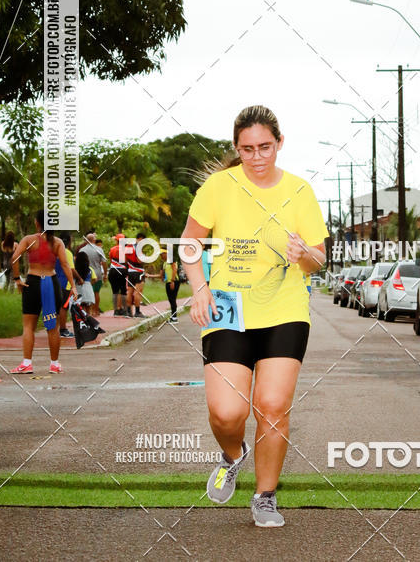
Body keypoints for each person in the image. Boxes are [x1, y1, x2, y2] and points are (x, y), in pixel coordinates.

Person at [180, 105, 328, 528]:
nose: (257, 156)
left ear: (280, 144)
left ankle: (265, 497)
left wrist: (306, 256)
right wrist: (199, 288)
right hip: (227, 306)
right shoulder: (218, 187)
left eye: (265, 147)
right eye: (247, 149)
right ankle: (233, 454)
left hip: (284, 309)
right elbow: (190, 243)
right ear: (237, 149)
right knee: (227, 413)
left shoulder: (299, 191)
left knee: (273, 405)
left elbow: (319, 259)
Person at [10, 210, 78, 374]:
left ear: (37, 223)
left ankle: (27, 363)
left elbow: (14, 258)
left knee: (28, 326)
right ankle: (54, 364)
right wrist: (73, 286)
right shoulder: (57, 242)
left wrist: (17, 279)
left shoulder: (28, 240)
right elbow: (64, 264)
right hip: (51, 283)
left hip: (33, 282)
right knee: (52, 327)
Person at [56, 232, 80, 338]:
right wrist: (79, 279)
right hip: (64, 283)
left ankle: (53, 329)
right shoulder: (67, 253)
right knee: (63, 307)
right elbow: (71, 269)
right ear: (68, 241)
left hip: (51, 281)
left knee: (54, 307)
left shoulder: (53, 252)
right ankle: (63, 329)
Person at [81, 230, 107, 316]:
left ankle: (89, 311)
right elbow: (104, 262)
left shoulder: (82, 250)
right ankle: (96, 311)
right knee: (96, 292)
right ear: (93, 240)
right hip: (98, 273)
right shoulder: (99, 249)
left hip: (86, 274)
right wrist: (105, 274)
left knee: (89, 292)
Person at [126, 233, 147, 318]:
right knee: (138, 292)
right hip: (138, 272)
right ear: (141, 238)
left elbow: (125, 259)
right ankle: (137, 312)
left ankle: (128, 312)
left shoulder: (128, 247)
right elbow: (139, 260)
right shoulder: (138, 247)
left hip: (130, 271)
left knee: (130, 292)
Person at [108, 233, 129, 316]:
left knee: (115, 291)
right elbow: (127, 261)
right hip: (122, 270)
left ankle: (116, 310)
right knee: (123, 291)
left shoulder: (112, 249)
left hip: (113, 270)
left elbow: (111, 259)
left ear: (117, 240)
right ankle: (124, 310)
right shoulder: (126, 249)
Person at [161, 246, 180, 323]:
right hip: (168, 282)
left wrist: (172, 281)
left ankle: (174, 317)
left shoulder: (171, 259)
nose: (161, 256)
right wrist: (149, 275)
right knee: (170, 299)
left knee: (172, 299)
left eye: (162, 254)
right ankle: (173, 316)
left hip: (174, 282)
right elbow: (161, 275)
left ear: (166, 253)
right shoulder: (165, 263)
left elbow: (175, 269)